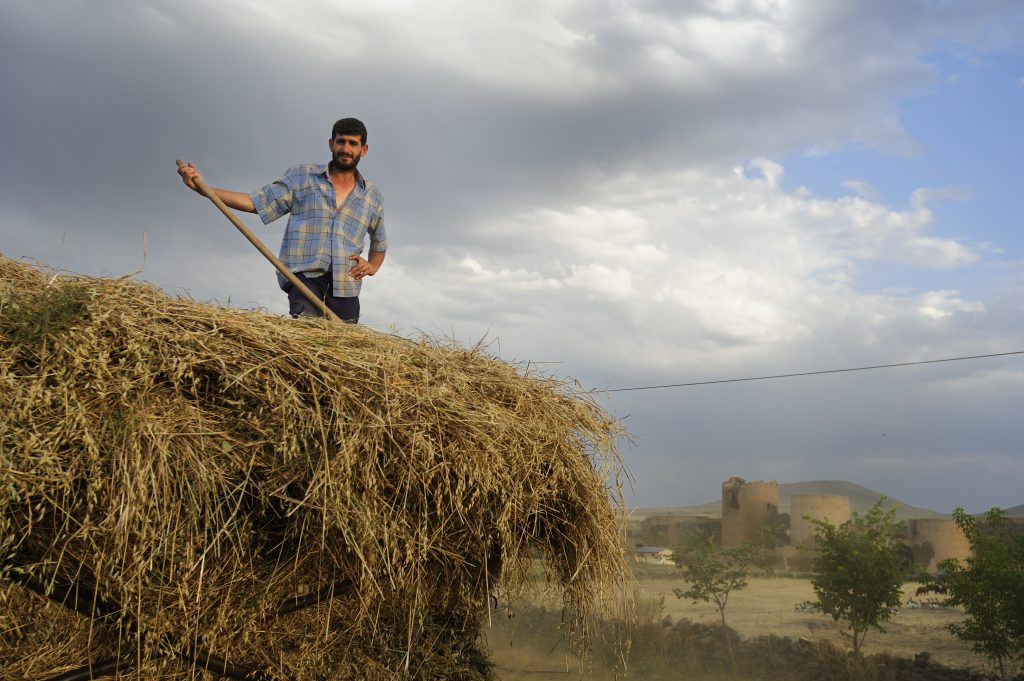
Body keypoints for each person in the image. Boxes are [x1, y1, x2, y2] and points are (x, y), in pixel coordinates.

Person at [177, 117, 387, 323]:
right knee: (308, 335)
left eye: (353, 143)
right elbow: (255, 202)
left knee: (344, 352)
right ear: (331, 144)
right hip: (304, 277)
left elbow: (379, 241)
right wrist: (203, 189)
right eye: (341, 141)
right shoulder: (302, 176)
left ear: (363, 150)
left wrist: (373, 266)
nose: (346, 148)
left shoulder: (372, 195)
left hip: (346, 285)